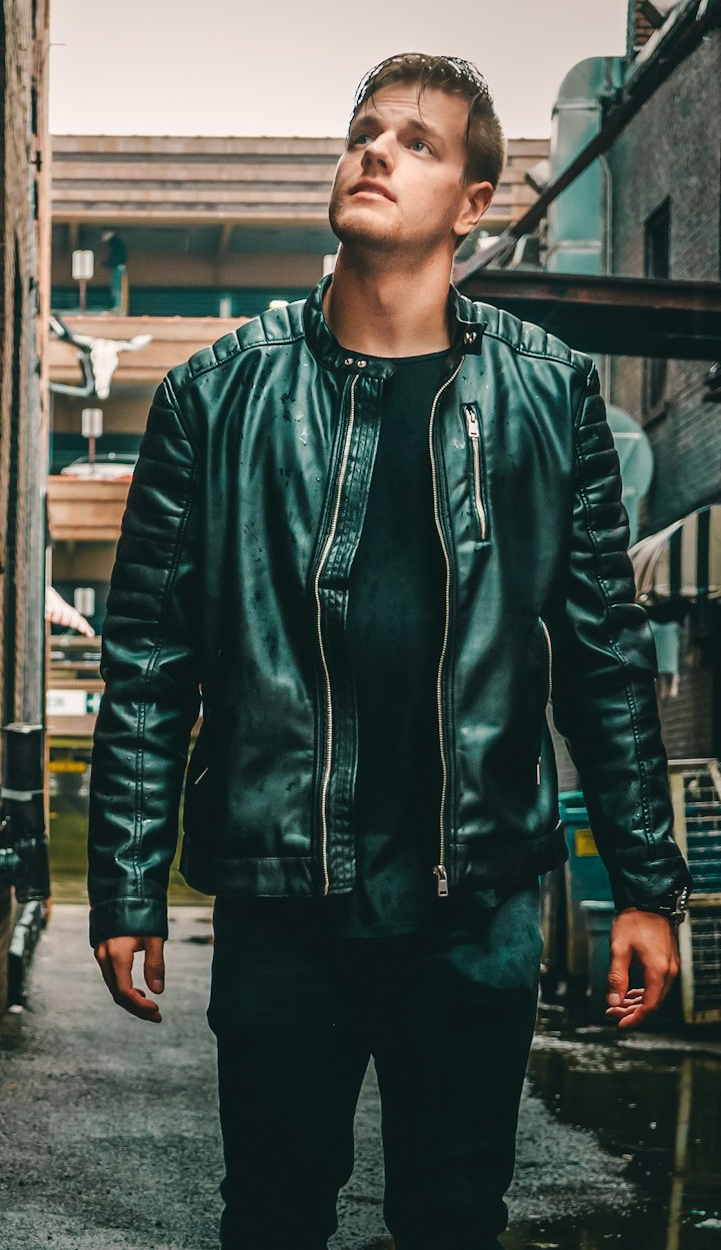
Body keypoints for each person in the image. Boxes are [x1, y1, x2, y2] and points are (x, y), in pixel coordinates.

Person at [86, 52, 694, 1250]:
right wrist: (124, 878)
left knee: (454, 1215)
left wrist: (643, 883)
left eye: (418, 141)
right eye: (364, 131)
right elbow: (151, 658)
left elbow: (602, 650)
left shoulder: (547, 394)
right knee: (268, 1213)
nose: (375, 151)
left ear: (472, 203)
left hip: (474, 904)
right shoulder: (217, 393)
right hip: (281, 895)